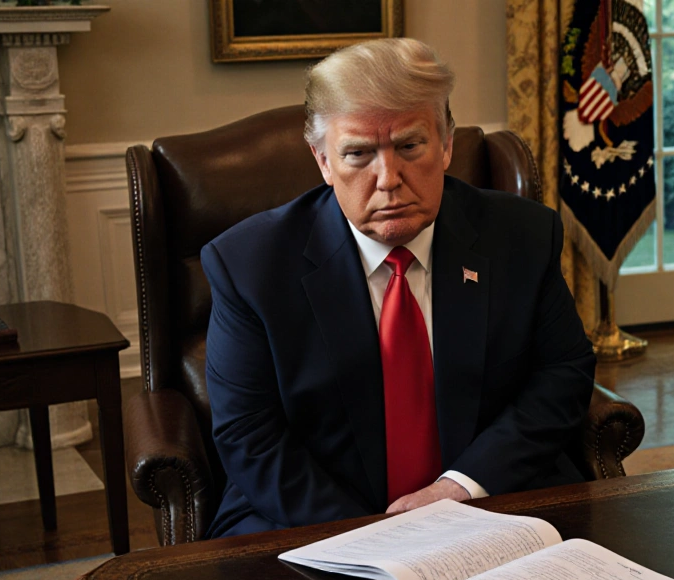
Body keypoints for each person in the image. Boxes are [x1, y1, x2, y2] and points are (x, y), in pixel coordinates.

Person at [202, 38, 596, 538]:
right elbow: (249, 436)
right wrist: (377, 537)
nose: (388, 178)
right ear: (323, 161)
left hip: (486, 496)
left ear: (447, 143)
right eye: (358, 154)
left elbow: (563, 373)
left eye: (410, 146)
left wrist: (459, 487)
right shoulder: (249, 265)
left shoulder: (521, 236)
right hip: (310, 514)